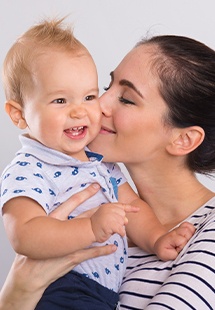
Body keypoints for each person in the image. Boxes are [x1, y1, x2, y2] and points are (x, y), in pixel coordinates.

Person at [0, 19, 194, 310]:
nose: (80, 111)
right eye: (60, 100)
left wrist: (156, 239)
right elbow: (24, 235)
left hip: (103, 294)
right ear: (19, 115)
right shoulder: (29, 168)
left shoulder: (100, 163)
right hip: (62, 286)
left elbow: (131, 209)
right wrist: (89, 228)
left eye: (89, 96)